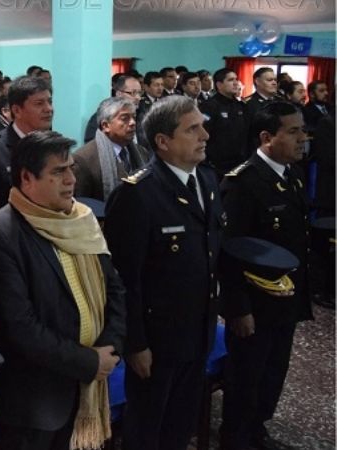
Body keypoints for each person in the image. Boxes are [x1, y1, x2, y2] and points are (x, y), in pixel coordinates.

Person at [0, 130, 125, 450]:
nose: (71, 180)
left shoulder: (82, 219)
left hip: (90, 385)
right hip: (35, 404)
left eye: (71, 168)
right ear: (27, 177)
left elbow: (114, 288)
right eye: (58, 172)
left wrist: (111, 347)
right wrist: (87, 362)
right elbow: (19, 327)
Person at [104, 95, 223, 450]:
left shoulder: (208, 180)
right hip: (157, 340)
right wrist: (136, 343)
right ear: (163, 141)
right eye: (193, 129)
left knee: (180, 425)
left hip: (198, 330)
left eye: (202, 126)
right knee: (147, 428)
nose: (205, 135)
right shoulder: (138, 194)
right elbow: (125, 279)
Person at [219, 101, 313, 450]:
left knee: (273, 372)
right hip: (255, 305)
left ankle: (257, 429)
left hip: (286, 299)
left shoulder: (293, 176)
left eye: (302, 129)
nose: (303, 137)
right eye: (293, 131)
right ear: (266, 137)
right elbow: (228, 254)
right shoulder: (243, 182)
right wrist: (238, 308)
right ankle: (236, 438)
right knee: (246, 377)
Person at [0, 75, 52, 234]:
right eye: (39, 104)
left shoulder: (52, 146)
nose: (49, 109)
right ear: (17, 110)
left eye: (49, 102)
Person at [73, 96, 150, 201]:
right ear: (105, 125)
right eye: (125, 118)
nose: (132, 123)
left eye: (134, 117)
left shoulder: (142, 152)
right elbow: (82, 204)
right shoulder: (83, 160)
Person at [199, 68, 249, 179]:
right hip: (218, 166)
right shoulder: (209, 106)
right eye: (231, 80)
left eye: (236, 79)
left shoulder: (241, 106)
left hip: (240, 164)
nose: (236, 83)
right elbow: (202, 134)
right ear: (219, 85)